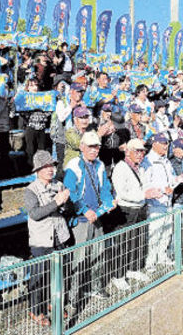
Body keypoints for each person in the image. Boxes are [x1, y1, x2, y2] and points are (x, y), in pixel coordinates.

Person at [63, 131, 117, 304]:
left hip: (97, 216)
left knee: (98, 254)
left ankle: (95, 287)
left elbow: (105, 188)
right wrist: (84, 210)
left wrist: (108, 202)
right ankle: (74, 295)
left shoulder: (100, 165)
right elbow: (70, 192)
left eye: (97, 147)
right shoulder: (73, 165)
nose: (94, 150)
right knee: (79, 258)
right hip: (81, 220)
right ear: (82, 147)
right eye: (91, 147)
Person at [24, 150, 71, 326]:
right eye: (45, 167)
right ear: (37, 170)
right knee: (39, 277)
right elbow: (35, 214)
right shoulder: (31, 190)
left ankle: (54, 303)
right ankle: (36, 310)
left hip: (60, 235)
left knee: (58, 274)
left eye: (52, 166)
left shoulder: (58, 184)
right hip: (41, 239)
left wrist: (65, 203)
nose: (50, 169)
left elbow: (66, 209)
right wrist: (56, 202)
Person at [109, 139, 162, 291]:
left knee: (137, 241)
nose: (140, 154)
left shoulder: (140, 167)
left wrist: (151, 191)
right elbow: (122, 193)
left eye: (142, 151)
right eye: (137, 151)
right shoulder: (120, 168)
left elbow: (144, 185)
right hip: (126, 210)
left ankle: (133, 269)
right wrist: (144, 194)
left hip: (140, 208)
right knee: (123, 243)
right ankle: (118, 276)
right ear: (128, 152)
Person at [140, 133, 183, 271]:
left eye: (167, 143)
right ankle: (150, 263)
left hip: (167, 202)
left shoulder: (166, 160)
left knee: (167, 232)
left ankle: (162, 257)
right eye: (163, 143)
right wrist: (161, 189)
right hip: (154, 204)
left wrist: (177, 180)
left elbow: (170, 179)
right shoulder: (147, 161)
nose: (166, 146)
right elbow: (145, 183)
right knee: (154, 234)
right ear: (154, 144)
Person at [21, 78, 52, 169]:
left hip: (41, 127)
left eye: (36, 85)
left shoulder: (43, 97)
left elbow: (49, 111)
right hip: (31, 127)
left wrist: (43, 113)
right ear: (28, 88)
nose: (35, 87)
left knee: (42, 151)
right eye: (32, 85)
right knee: (30, 151)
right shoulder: (25, 99)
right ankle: (30, 169)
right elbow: (22, 113)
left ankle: (41, 169)